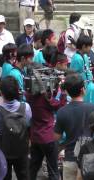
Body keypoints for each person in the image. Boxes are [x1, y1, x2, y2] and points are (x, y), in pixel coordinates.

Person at [26, 45, 67, 180]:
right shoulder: (46, 97)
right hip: (48, 137)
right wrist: (61, 91)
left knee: (32, 168)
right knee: (53, 171)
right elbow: (59, 106)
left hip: (35, 136)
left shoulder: (29, 94)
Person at [54, 73, 94, 180]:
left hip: (70, 159)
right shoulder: (93, 108)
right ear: (83, 89)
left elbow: (56, 137)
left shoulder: (62, 112)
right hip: (90, 159)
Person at [0, 76, 32, 180]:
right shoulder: (26, 108)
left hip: (3, 152)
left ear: (1, 93)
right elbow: (28, 124)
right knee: (24, 176)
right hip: (22, 150)